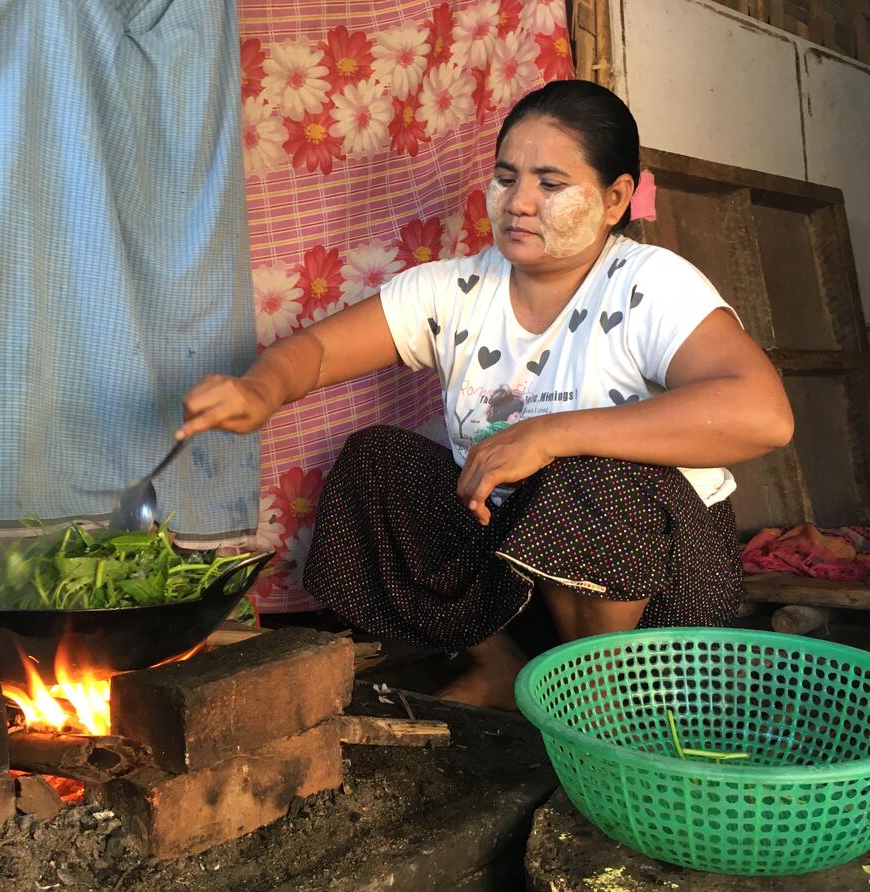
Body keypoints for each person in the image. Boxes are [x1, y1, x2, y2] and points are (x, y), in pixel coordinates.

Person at [178, 80, 794, 710]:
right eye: (506, 178)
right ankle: (506, 669)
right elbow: (319, 351)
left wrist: (552, 433)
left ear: (615, 200)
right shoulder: (457, 288)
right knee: (377, 462)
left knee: (584, 465)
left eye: (550, 184)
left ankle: (597, 699)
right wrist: (262, 387)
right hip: (513, 577)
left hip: (658, 600)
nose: (519, 202)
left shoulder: (649, 283)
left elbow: (763, 414)